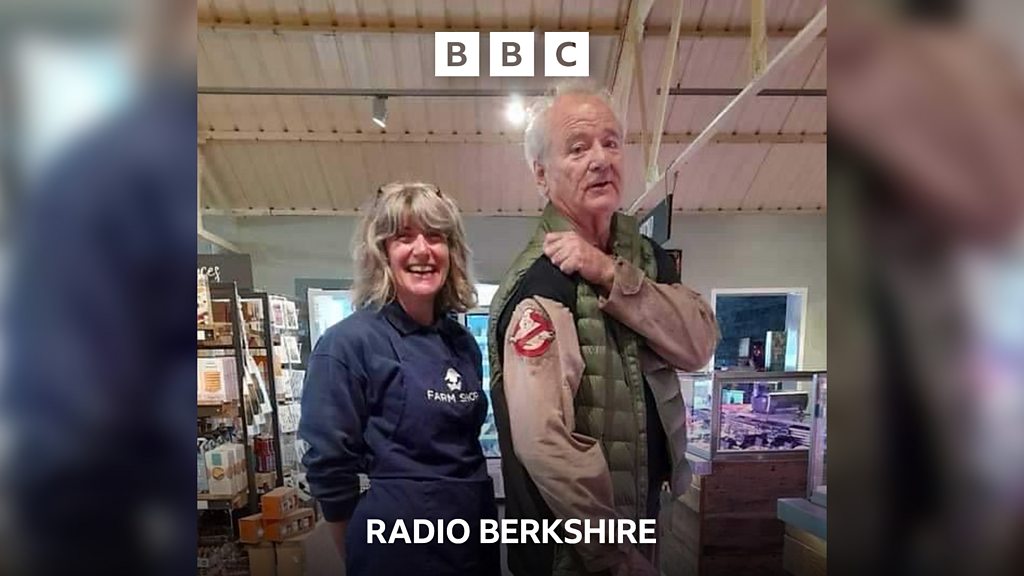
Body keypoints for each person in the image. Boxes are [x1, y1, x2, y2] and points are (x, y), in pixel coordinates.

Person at [488, 84, 719, 576]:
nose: (600, 159)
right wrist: (615, 555)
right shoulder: (541, 285)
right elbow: (544, 444)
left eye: (611, 142)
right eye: (577, 148)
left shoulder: (646, 259)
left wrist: (612, 274)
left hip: (642, 522)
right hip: (573, 556)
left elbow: (698, 344)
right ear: (541, 175)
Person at [299, 182, 499, 576]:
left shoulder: (461, 343)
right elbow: (328, 467)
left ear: (451, 252)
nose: (422, 250)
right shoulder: (347, 345)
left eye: (435, 236)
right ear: (382, 253)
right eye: (404, 237)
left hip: (473, 539)